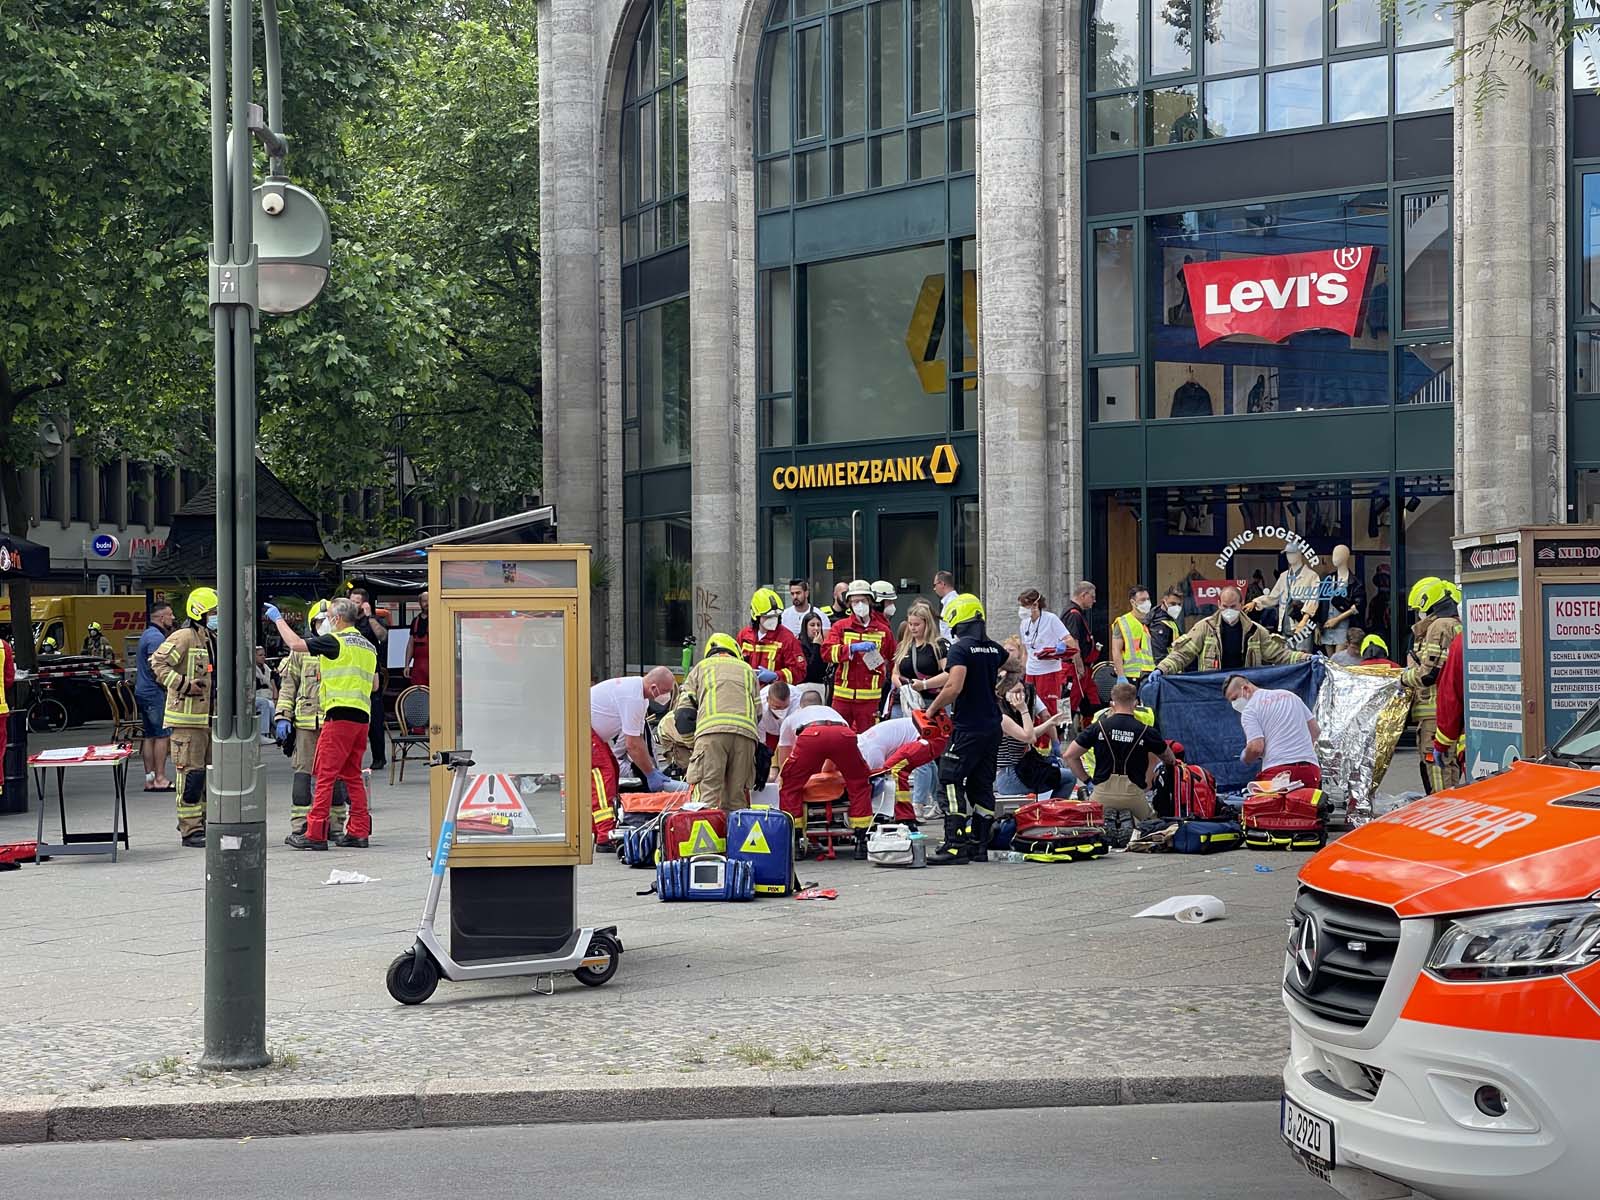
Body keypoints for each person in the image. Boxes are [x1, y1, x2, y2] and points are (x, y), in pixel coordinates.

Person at [268, 597, 377, 850]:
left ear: (337, 619)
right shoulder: (368, 646)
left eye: (329, 616)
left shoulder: (334, 641)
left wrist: (278, 619)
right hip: (362, 719)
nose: (327, 620)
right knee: (352, 776)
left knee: (324, 775)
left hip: (338, 717)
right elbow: (375, 685)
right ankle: (358, 832)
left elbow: (294, 643)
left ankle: (315, 833)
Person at [923, 593, 1005, 864]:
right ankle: (978, 845)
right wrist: (999, 688)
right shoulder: (994, 648)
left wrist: (932, 709)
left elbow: (954, 686)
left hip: (968, 726)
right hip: (993, 725)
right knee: (982, 785)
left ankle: (954, 844)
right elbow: (1015, 665)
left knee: (949, 778)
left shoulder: (960, 648)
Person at [275, 599, 349, 843]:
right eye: (320, 621)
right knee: (303, 774)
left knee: (336, 776)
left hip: (333, 722)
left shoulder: (343, 648)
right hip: (306, 724)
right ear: (312, 624)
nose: (325, 625)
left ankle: (336, 824)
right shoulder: (300, 653)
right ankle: (300, 825)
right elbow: (288, 687)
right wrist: (282, 717)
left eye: (328, 620)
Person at [151, 587, 218, 847]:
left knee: (205, 776)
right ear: (199, 613)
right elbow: (157, 663)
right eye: (213, 612)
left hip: (207, 719)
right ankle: (190, 830)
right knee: (190, 775)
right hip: (187, 721)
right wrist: (183, 684)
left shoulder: (209, 638)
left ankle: (204, 822)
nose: (216, 617)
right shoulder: (184, 637)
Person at [1064, 681, 1175, 831]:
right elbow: (1170, 759)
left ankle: (1106, 821)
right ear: (1135, 703)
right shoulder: (1146, 731)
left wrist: (1087, 780)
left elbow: (1069, 756)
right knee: (1152, 824)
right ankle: (1132, 823)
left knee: (1090, 822)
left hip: (1102, 794)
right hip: (1134, 794)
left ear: (1112, 703)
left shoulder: (1098, 727)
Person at [673, 633, 761, 812]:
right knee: (737, 802)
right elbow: (758, 713)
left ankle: (708, 840)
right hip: (746, 738)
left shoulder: (701, 668)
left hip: (711, 736)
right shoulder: (748, 671)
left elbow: (683, 716)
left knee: (707, 799)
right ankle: (737, 839)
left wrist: (693, 745)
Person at [1153, 586, 1311, 675]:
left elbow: (1280, 655)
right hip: (1214, 690)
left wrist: (1305, 658)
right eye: (1225, 606)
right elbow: (1182, 654)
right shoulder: (1205, 628)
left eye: (1233, 606)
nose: (1228, 610)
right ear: (1218, 603)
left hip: (1246, 691)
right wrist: (1162, 669)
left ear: (1241, 604)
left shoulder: (1255, 631)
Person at [1400, 577, 1463, 794]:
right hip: (1441, 714)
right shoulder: (1451, 625)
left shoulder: (1440, 626)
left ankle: (1444, 813)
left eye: (1420, 609)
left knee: (1438, 770)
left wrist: (1401, 678)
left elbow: (1428, 674)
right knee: (1445, 767)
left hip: (1435, 716)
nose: (1419, 614)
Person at [891, 597, 947, 814]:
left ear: (926, 624)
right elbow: (895, 671)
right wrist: (901, 684)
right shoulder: (906, 644)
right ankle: (932, 799)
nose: (913, 628)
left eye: (917, 625)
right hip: (907, 702)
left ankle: (920, 802)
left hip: (932, 702)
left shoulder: (938, 646)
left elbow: (948, 673)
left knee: (925, 751)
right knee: (920, 753)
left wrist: (924, 684)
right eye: (911, 624)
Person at [822, 579, 897, 733]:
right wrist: (851, 648)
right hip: (842, 696)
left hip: (870, 698)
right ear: (849, 604)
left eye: (862, 600)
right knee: (838, 737)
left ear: (870, 601)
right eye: (855, 602)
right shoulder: (841, 627)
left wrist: (895, 683)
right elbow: (826, 652)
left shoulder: (883, 630)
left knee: (869, 740)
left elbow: (894, 658)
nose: (859, 605)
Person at [1224, 674, 1322, 790]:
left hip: (1278, 772)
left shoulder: (1250, 710)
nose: (1234, 705)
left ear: (1246, 689)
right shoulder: (1290, 696)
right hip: (1309, 769)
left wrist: (1246, 756)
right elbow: (1315, 731)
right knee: (1308, 806)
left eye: (1235, 699)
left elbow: (1256, 747)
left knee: (1273, 808)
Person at [996, 679, 1070, 797]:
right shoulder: (1003, 718)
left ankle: (1051, 810)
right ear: (1005, 694)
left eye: (1023, 691)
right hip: (1011, 775)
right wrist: (1024, 710)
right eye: (1017, 691)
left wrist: (1050, 723)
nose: (1022, 695)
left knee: (1065, 774)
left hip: (1022, 769)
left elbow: (1028, 734)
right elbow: (1029, 737)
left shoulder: (1014, 714)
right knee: (1069, 778)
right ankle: (1053, 812)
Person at [134, 602, 176, 793]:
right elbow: (156, 667)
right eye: (170, 615)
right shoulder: (157, 638)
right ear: (161, 617)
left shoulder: (146, 634)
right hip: (153, 692)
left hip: (143, 691)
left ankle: (149, 778)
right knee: (162, 735)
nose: (173, 618)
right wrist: (167, 685)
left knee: (149, 735)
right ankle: (160, 777)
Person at [347, 588, 389, 771]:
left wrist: (370, 615)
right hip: (349, 675)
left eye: (356, 602)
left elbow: (382, 636)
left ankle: (379, 757)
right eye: (351, 601)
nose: (352, 605)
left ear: (364, 604)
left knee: (375, 718)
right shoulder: (346, 621)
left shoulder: (372, 620)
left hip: (371, 675)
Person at [1017, 589, 1070, 715]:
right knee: (1031, 707)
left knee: (1049, 708)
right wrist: (1021, 674)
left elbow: (1069, 640)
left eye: (1025, 606)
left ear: (1035, 605)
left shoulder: (1051, 619)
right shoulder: (1024, 623)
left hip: (1049, 672)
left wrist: (1061, 646)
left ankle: (1052, 734)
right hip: (1031, 672)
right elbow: (1025, 652)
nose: (1022, 609)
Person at [738, 588, 806, 686]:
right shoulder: (744, 636)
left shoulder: (787, 639)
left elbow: (799, 671)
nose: (773, 620)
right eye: (768, 617)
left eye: (776, 616)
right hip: (748, 691)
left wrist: (776, 676)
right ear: (756, 616)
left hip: (773, 695)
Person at [1061, 580, 1100, 722]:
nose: (1094, 601)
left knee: (1092, 703)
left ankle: (1091, 734)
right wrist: (1079, 666)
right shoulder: (1073, 614)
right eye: (1092, 597)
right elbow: (1073, 642)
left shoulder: (1077, 613)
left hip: (1084, 670)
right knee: (1068, 704)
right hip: (1075, 669)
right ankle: (1059, 739)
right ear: (1084, 595)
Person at [1110, 584, 1157, 687]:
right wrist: (1121, 675)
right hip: (1131, 675)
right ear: (1133, 602)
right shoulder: (1122, 623)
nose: (1147, 603)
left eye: (1148, 599)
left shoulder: (1155, 622)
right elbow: (1116, 650)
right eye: (1142, 600)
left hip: (1152, 673)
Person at [1148, 586, 1184, 664]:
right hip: (1163, 668)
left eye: (1179, 604)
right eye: (1173, 603)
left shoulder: (1169, 619)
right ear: (1163, 602)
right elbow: (1159, 655)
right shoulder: (1159, 624)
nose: (1176, 607)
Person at [404, 590, 429, 687]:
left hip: (434, 664)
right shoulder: (415, 621)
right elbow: (410, 644)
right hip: (418, 666)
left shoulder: (438, 618)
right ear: (420, 603)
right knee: (418, 692)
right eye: (424, 601)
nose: (427, 603)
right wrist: (407, 665)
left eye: (429, 600)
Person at [253, 645, 277, 742]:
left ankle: (279, 735)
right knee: (267, 704)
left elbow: (274, 687)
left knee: (272, 706)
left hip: (268, 696)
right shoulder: (251, 670)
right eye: (260, 655)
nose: (263, 657)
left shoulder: (267, 669)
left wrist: (276, 699)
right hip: (257, 696)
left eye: (264, 655)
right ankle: (263, 734)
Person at [797, 611, 829, 685]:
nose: (816, 628)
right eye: (812, 625)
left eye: (818, 625)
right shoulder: (799, 645)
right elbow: (811, 671)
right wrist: (816, 646)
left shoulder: (824, 644)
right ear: (805, 627)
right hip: (805, 685)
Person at [932, 569, 958, 639]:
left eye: (935, 585)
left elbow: (951, 631)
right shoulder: (952, 601)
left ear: (942, 584)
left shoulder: (952, 603)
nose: (934, 589)